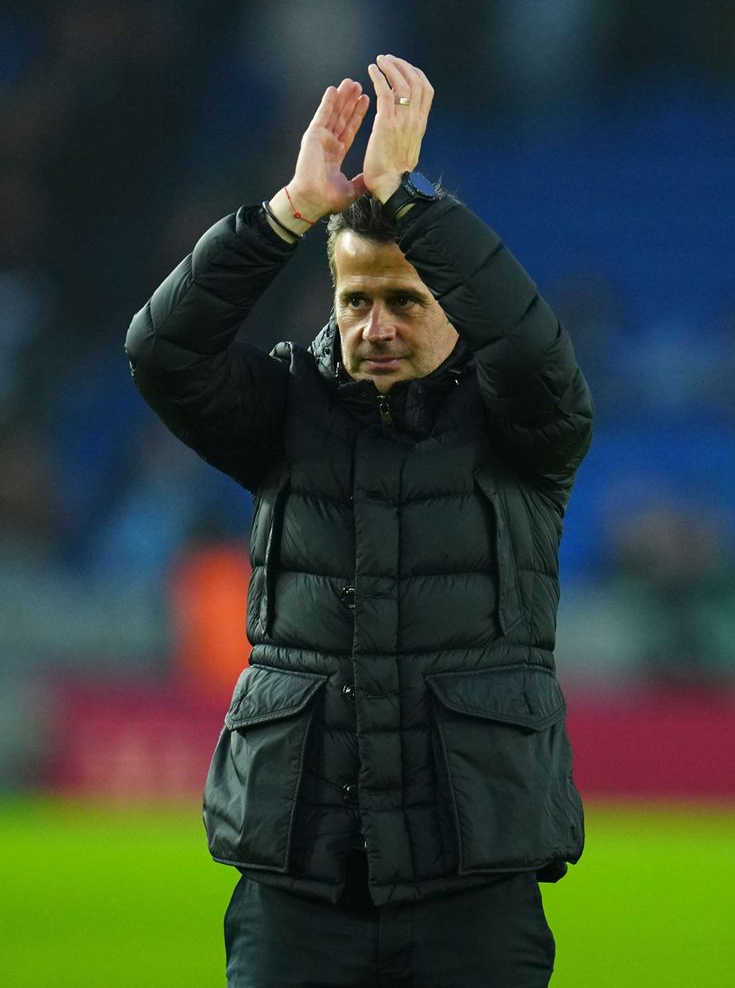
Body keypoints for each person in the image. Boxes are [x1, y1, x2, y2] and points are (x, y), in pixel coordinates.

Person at [126, 55, 593, 988]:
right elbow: (162, 352)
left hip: (474, 887)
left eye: (405, 301)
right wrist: (286, 214)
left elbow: (536, 351)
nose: (375, 326)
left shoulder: (522, 430)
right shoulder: (281, 410)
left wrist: (409, 202)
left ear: (454, 308)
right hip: (299, 887)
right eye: (356, 301)